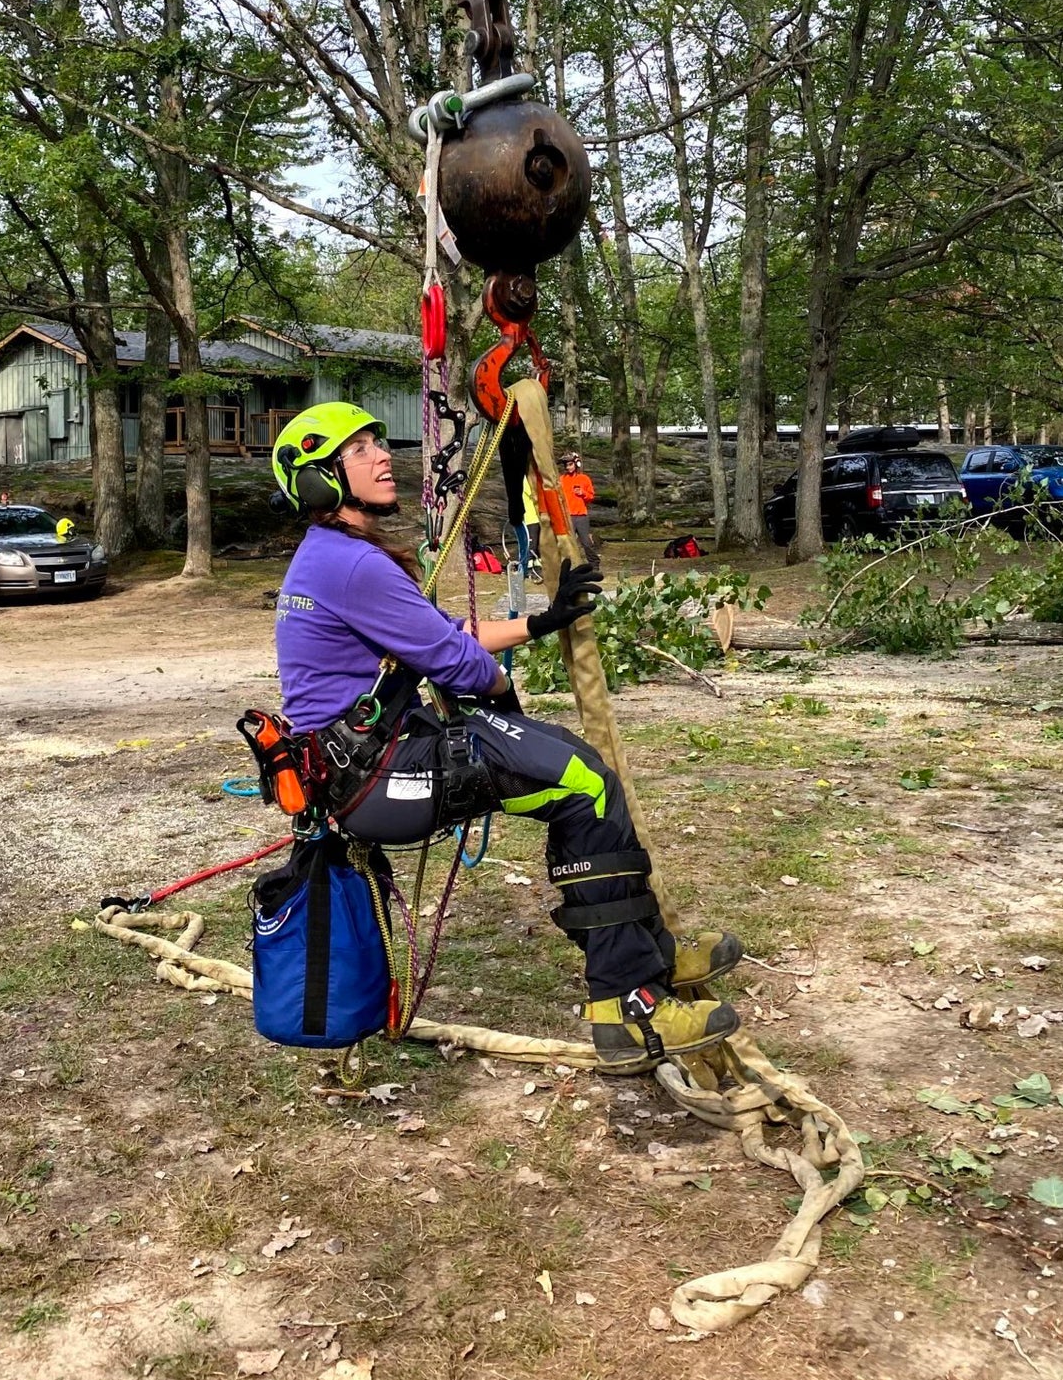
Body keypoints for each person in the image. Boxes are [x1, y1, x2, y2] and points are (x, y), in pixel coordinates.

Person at [270, 403, 741, 1075]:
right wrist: (499, 698)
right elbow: (460, 664)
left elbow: (442, 637)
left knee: (575, 779)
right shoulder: (350, 565)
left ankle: (652, 954)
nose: (381, 455)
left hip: (372, 765)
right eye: (360, 449)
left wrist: (540, 620)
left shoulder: (334, 558)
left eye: (377, 441)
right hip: (380, 777)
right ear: (320, 479)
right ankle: (624, 1005)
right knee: (582, 784)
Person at [559, 451, 601, 566]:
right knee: (568, 543)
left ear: (576, 464)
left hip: (581, 515)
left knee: (586, 542)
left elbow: (591, 496)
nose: (568, 467)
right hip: (567, 516)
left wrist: (583, 493)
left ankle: (594, 563)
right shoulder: (561, 479)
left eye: (570, 464)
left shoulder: (584, 479)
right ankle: (570, 565)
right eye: (566, 465)